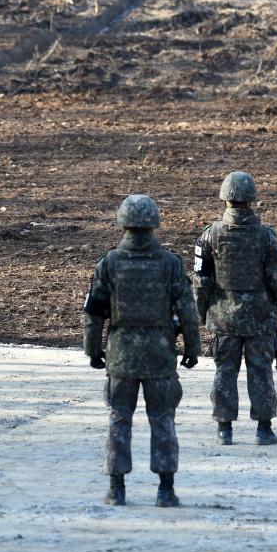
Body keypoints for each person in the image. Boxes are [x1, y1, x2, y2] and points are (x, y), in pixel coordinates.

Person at [83, 194, 201, 508]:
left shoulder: (109, 264)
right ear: (154, 224)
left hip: (121, 356)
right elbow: (188, 312)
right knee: (163, 419)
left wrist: (92, 351)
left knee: (119, 418)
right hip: (160, 357)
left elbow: (94, 313)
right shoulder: (170, 264)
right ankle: (165, 489)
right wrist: (192, 348)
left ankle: (116, 488)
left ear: (123, 223)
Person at [193, 171, 277, 447]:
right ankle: (264, 429)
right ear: (252, 200)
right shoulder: (266, 236)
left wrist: (205, 314)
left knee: (225, 370)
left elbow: (201, 282)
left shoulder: (209, 236)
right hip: (260, 317)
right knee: (261, 371)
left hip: (223, 318)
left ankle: (224, 429)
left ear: (225, 199)